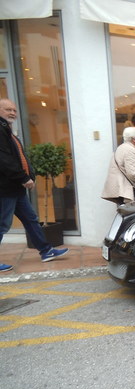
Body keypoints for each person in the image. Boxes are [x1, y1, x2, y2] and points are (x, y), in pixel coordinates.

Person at [0, 98, 68, 270]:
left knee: (31, 219)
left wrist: (27, 175)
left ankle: (46, 251)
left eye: (14, 110)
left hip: (15, 189)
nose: (13, 113)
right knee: (2, 224)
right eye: (8, 110)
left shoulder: (6, 130)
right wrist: (24, 177)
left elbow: (17, 157)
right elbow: (5, 160)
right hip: (6, 189)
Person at [101, 127, 135, 205]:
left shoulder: (123, 148)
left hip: (120, 189)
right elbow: (134, 173)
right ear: (133, 139)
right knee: (134, 214)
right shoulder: (129, 150)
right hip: (125, 190)